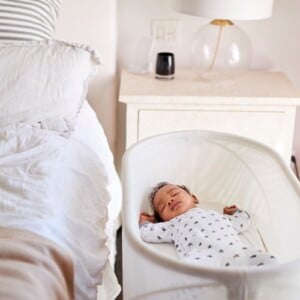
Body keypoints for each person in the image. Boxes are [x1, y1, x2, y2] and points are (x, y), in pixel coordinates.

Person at [139, 182, 277, 267]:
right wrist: (146, 222)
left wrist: (236, 211)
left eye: (174, 193)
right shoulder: (172, 225)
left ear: (194, 198)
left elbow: (242, 221)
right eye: (163, 206)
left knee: (269, 260)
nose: (170, 200)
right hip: (202, 257)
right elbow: (147, 233)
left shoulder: (217, 215)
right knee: (186, 273)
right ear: (163, 220)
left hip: (237, 253)